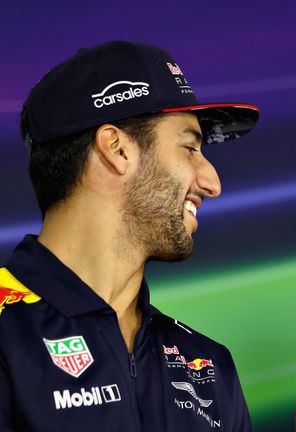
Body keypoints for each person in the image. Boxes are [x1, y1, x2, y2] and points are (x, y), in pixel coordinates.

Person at [0, 41, 259, 431]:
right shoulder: (8, 335)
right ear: (117, 149)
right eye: (190, 148)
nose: (212, 182)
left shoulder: (207, 363)